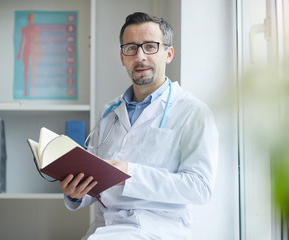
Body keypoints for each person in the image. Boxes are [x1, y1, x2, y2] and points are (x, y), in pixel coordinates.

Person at [59, 12, 219, 240]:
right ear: (123, 57)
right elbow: (95, 181)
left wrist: (130, 173)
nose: (140, 56)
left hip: (157, 229)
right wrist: (76, 194)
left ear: (168, 53)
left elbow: (200, 188)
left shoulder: (193, 112)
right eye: (131, 48)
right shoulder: (109, 112)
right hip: (104, 227)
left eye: (150, 46)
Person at [16, 13, 43, 97]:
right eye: (29, 18)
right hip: (26, 49)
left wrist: (40, 53)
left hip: (34, 49)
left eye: (31, 18)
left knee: (34, 70)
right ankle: (26, 90)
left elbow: (38, 41)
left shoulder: (36, 28)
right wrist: (19, 53)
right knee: (26, 70)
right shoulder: (24, 29)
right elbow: (22, 41)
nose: (30, 19)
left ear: (33, 18)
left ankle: (34, 90)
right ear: (28, 19)